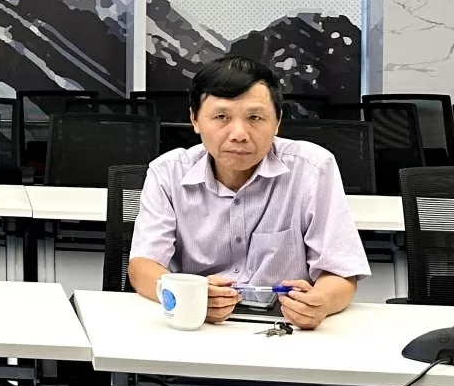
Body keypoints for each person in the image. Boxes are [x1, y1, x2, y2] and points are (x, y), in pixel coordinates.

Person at [128, 55, 369, 330]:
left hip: (288, 331)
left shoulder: (312, 168)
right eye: (221, 117)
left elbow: (340, 272)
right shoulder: (167, 173)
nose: (239, 134)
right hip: (198, 328)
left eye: (255, 117)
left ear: (277, 121)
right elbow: (143, 266)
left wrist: (321, 301)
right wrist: (190, 297)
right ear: (195, 119)